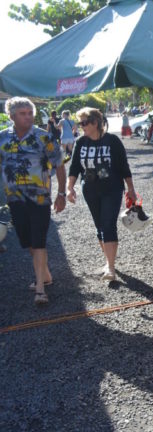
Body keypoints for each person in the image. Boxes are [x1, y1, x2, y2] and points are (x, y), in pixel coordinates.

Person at [0, 97, 67, 305]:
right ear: (11, 116)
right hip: (14, 198)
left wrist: (62, 193)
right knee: (26, 240)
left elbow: (59, 165)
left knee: (38, 240)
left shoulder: (43, 137)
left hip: (40, 199)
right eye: (23, 113)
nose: (28, 117)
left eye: (30, 113)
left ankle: (40, 289)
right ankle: (45, 275)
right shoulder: (2, 138)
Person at [66, 107, 137, 282]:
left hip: (112, 189)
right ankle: (108, 261)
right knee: (99, 227)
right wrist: (70, 188)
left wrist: (131, 189)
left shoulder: (112, 141)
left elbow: (123, 167)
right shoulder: (81, 142)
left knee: (108, 225)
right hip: (90, 190)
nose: (81, 126)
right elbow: (74, 167)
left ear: (95, 123)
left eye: (84, 123)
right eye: (80, 123)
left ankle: (111, 268)